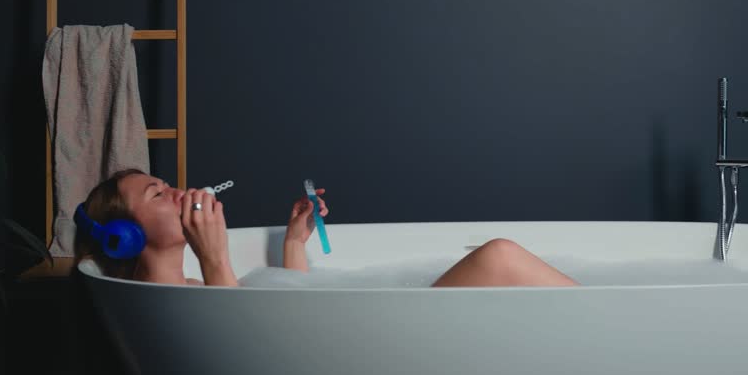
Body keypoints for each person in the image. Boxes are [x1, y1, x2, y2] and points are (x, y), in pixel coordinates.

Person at [75, 169, 578, 287]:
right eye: (157, 194)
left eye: (166, 182)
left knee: (501, 257)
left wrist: (294, 242)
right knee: (498, 257)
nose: (178, 190)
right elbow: (250, 354)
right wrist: (215, 257)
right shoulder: (180, 298)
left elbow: (288, 316)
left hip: (361, 332)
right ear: (125, 237)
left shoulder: (193, 288)